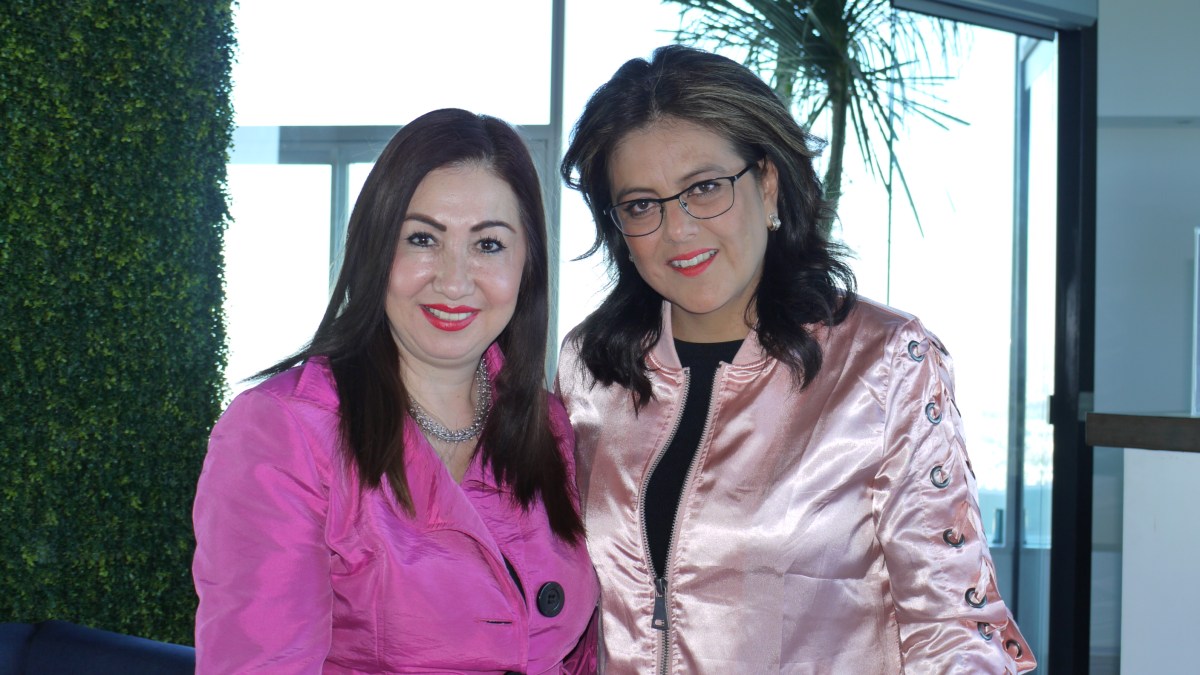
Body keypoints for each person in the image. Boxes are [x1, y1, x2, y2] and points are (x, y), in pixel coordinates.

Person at [555, 45, 1035, 673]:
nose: (678, 229)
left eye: (704, 188)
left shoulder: (885, 363)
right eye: (643, 204)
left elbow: (952, 629)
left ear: (768, 183)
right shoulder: (590, 370)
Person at [193, 108, 599, 674]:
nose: (454, 281)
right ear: (376, 249)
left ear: (527, 265)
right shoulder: (283, 431)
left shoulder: (550, 424)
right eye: (422, 239)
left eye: (488, 245)